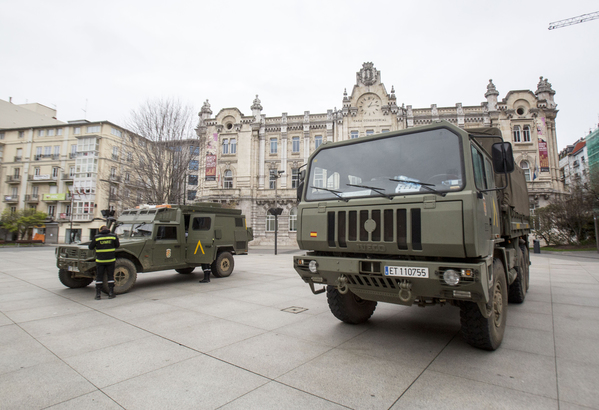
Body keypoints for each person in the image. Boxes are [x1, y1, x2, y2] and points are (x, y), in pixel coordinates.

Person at [89, 225, 120, 300]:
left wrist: (98, 246)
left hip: (100, 261)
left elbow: (90, 247)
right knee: (110, 277)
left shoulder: (97, 237)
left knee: (99, 277)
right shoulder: (113, 236)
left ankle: (98, 295)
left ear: (100, 230)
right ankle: (111, 293)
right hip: (110, 260)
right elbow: (117, 245)